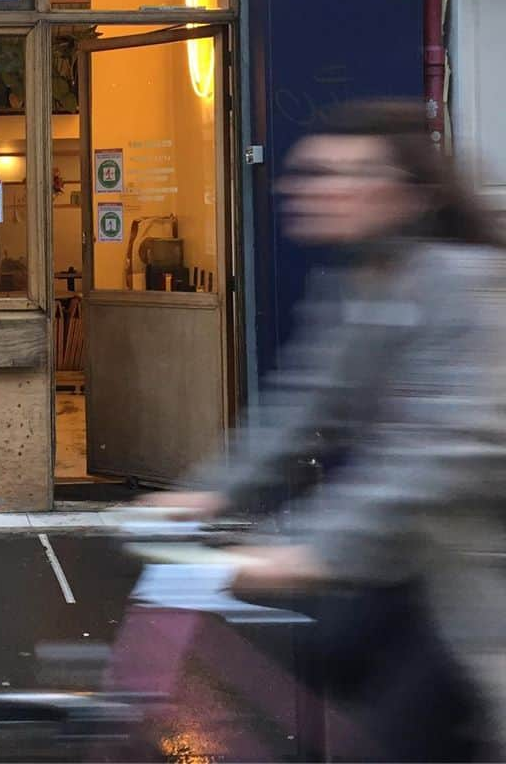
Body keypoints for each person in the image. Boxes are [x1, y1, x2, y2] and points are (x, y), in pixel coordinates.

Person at [148, 99, 506, 760]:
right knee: (318, 664)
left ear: (406, 193)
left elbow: (439, 453)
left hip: (463, 568)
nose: (306, 189)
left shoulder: (469, 287)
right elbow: (300, 406)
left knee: (399, 734)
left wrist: (311, 551)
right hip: (395, 559)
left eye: (337, 175)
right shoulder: (352, 289)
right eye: (307, 174)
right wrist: (205, 493)